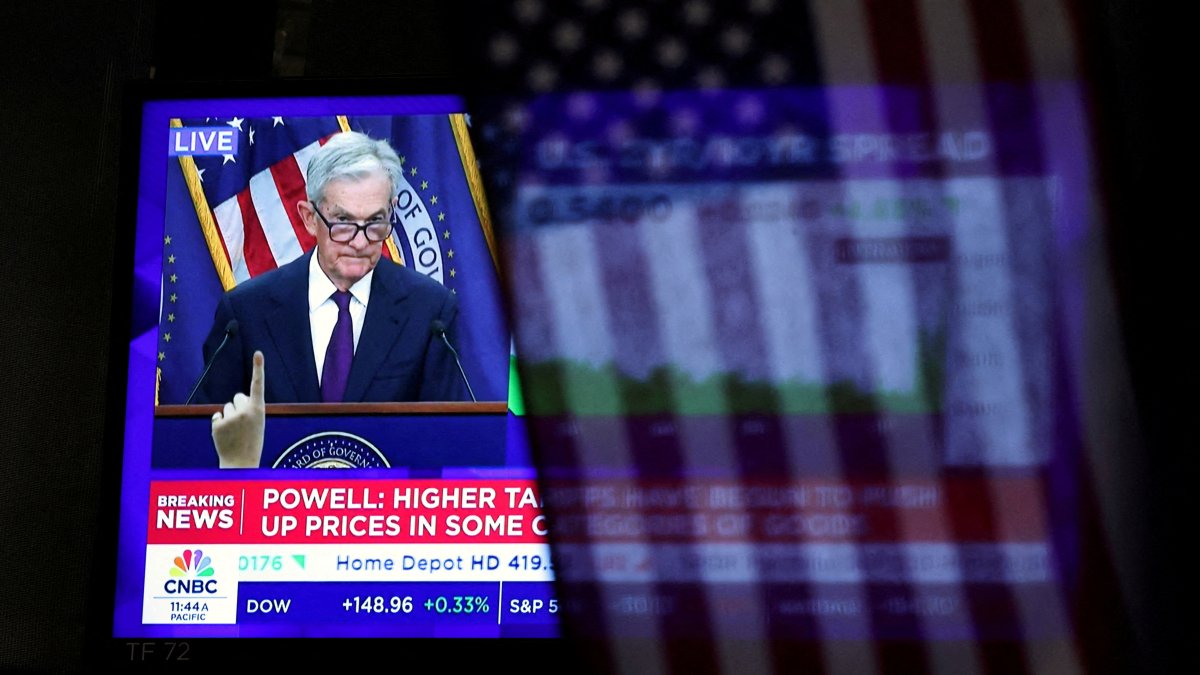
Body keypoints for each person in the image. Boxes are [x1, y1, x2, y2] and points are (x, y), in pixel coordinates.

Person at [198, 132, 467, 466]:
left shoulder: (430, 313)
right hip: (273, 511)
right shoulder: (245, 312)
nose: (359, 241)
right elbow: (199, 436)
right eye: (342, 222)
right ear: (310, 218)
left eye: (375, 222)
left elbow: (452, 442)